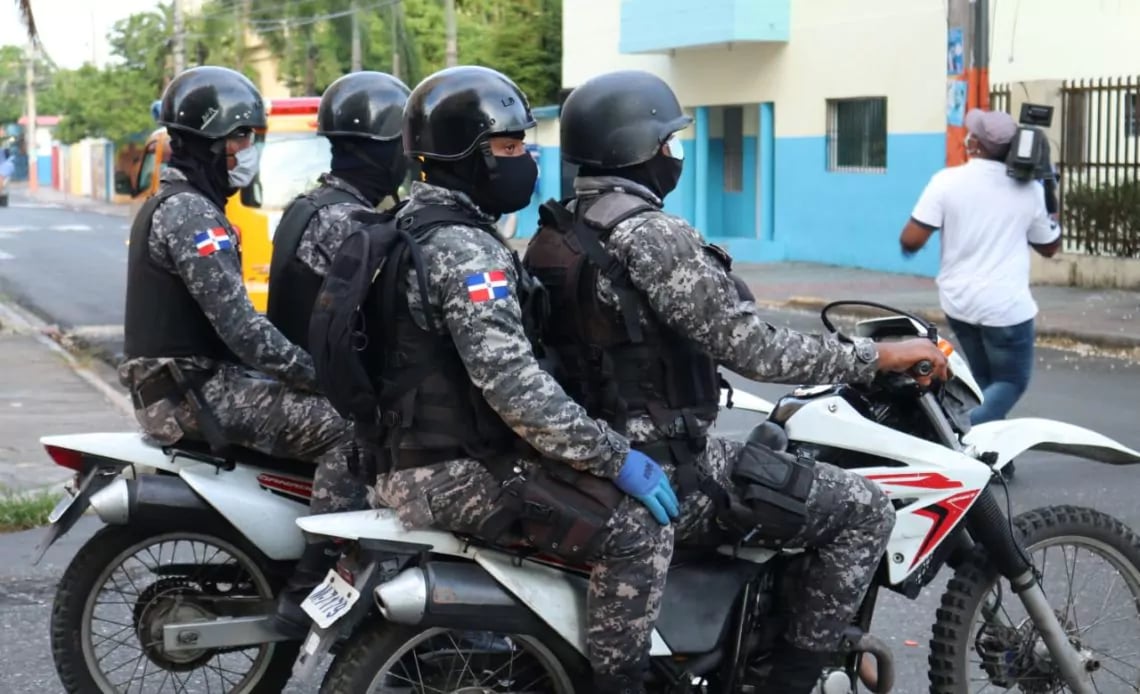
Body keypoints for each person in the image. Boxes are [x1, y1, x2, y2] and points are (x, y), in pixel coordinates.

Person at [522, 69, 951, 694]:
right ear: (637, 146)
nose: (675, 154)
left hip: (593, 457)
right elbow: (753, 349)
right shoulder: (648, 234)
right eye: (668, 141)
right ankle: (792, 679)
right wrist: (875, 359)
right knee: (861, 508)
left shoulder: (556, 234)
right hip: (661, 468)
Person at [349, 65, 674, 694]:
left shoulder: (400, 227)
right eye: (510, 147)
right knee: (637, 529)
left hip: (399, 455)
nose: (525, 159)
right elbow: (515, 389)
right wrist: (616, 458)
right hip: (450, 470)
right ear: (465, 157)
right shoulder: (466, 252)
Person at [116, 65, 359, 639]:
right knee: (348, 427)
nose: (249, 151)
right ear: (209, 138)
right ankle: (312, 585)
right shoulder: (191, 214)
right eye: (241, 137)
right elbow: (241, 329)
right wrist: (320, 376)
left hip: (184, 383)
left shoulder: (182, 202)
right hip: (186, 392)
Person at [900, 108, 1061, 477]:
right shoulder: (1031, 190)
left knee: (987, 381)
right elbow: (1050, 246)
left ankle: (998, 459)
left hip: (959, 302)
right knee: (1011, 381)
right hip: (1006, 307)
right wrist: (1049, 189)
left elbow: (911, 238)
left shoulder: (946, 181)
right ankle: (957, 439)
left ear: (975, 144)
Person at [267, 70, 411, 351]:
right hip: (325, 391)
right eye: (400, 146)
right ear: (382, 151)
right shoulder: (348, 221)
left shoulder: (305, 206)